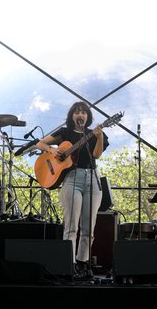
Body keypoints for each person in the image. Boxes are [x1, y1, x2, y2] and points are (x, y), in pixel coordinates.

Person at [35, 101, 109, 279]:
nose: (80, 115)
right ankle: (69, 265)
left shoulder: (95, 133)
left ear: (87, 117)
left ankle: (83, 265)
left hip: (92, 178)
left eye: (83, 112)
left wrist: (99, 137)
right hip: (71, 179)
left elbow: (96, 155)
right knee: (71, 226)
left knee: (88, 227)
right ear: (72, 116)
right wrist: (52, 151)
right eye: (77, 112)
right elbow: (40, 144)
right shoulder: (65, 133)